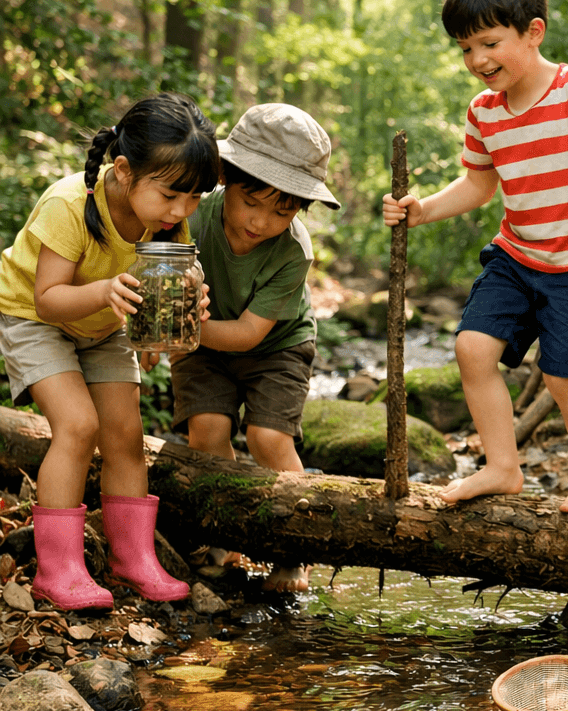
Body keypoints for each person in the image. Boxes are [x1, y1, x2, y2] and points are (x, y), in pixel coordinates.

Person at [382, 0, 568, 513]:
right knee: (472, 348)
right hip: (517, 256)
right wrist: (422, 210)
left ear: (534, 32)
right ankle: (502, 467)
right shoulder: (484, 112)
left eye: (489, 43)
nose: (477, 60)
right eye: (465, 48)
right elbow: (478, 184)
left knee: (564, 377)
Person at [0, 92, 221, 610]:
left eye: (195, 197)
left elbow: (162, 281)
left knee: (125, 433)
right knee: (78, 426)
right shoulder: (69, 205)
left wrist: (185, 307)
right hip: (35, 318)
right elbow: (48, 298)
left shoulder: (166, 218)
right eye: (171, 195)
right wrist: (104, 291)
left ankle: (133, 559)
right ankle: (58, 570)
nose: (182, 211)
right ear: (123, 170)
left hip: (102, 324)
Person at [170, 103, 340, 593]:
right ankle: (224, 534)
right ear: (225, 177)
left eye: (282, 211)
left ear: (299, 209)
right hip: (202, 343)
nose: (261, 221)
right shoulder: (190, 217)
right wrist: (165, 329)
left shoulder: (293, 251)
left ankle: (294, 549)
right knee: (207, 431)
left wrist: (177, 333)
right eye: (250, 201)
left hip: (277, 347)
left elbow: (248, 334)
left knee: (268, 438)